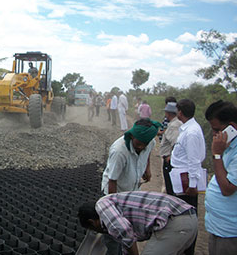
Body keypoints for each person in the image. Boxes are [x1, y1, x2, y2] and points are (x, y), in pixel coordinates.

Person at [78, 191, 198, 255]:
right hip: (188, 217)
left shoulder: (102, 205)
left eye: (94, 229)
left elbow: (124, 231)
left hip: (176, 221)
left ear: (92, 222)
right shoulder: (113, 204)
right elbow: (126, 242)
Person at [168, 99, 205, 255]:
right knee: (181, 213)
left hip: (186, 181)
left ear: (180, 112)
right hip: (182, 178)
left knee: (187, 215)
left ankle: (187, 249)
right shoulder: (188, 129)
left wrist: (192, 183)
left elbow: (193, 161)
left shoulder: (191, 133)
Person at [204, 100, 237, 255]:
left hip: (230, 232)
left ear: (232, 127)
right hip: (219, 226)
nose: (214, 134)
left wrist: (216, 154)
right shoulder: (229, 146)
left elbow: (227, 188)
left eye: (217, 129)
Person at [101, 118, 160, 195]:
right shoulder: (119, 151)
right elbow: (112, 179)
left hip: (133, 190)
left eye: (144, 144)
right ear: (132, 136)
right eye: (138, 144)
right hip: (116, 191)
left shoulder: (150, 142)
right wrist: (113, 202)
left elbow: (148, 152)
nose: (141, 147)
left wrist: (147, 168)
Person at [159, 102, 182, 194]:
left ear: (168, 113)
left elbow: (175, 142)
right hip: (170, 158)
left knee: (170, 186)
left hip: (169, 160)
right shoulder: (175, 123)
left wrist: (170, 156)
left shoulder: (174, 125)